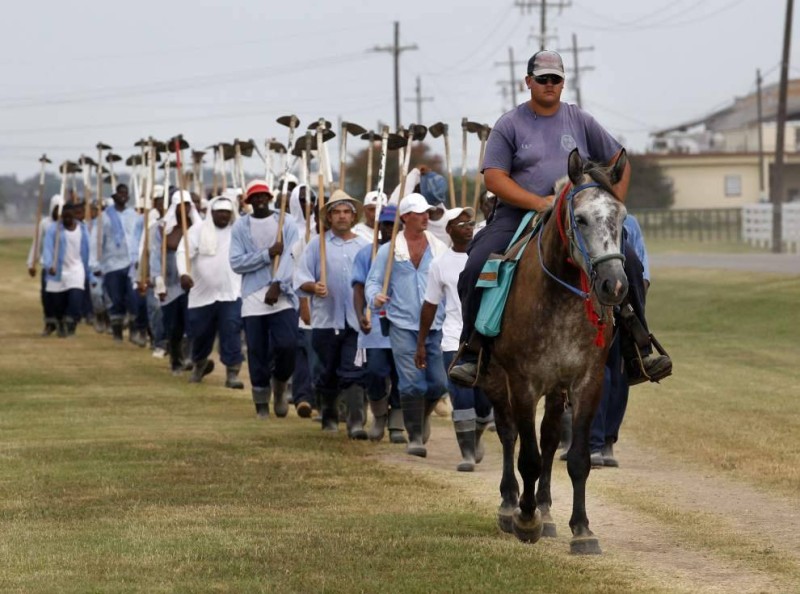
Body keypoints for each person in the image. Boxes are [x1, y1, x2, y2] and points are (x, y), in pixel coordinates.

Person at [450, 49, 671, 386]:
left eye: (555, 79)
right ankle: (472, 351)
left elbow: (620, 163)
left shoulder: (579, 119)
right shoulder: (509, 124)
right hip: (521, 212)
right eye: (542, 79)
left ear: (563, 83)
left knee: (628, 261)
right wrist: (539, 202)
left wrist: (608, 207)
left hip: (578, 215)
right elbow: (494, 178)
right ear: (528, 82)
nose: (549, 84)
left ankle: (638, 346)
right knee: (478, 263)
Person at [365, 193, 449, 458]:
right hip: (401, 324)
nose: (426, 217)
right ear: (405, 218)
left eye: (427, 213)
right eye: (420, 213)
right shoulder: (389, 251)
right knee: (411, 382)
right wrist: (375, 297)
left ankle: (420, 415)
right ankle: (414, 436)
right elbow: (373, 282)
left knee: (438, 383)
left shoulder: (438, 248)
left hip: (435, 324)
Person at [416, 206, 494, 471]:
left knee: (484, 402)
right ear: (448, 230)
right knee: (462, 397)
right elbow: (429, 305)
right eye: (460, 223)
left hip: (485, 336)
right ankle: (467, 454)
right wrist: (421, 344)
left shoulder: (486, 257)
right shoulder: (439, 264)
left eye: (470, 222)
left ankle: (478, 433)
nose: (468, 226)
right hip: (454, 340)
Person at [296, 190, 370, 436]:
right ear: (329, 217)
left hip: (356, 321)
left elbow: (374, 280)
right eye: (336, 212)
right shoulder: (317, 245)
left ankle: (355, 422)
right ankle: (328, 416)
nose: (341, 216)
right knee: (326, 371)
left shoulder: (364, 246)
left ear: (353, 216)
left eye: (346, 212)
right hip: (327, 319)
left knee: (353, 371)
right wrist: (313, 286)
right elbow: (301, 277)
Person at [230, 179, 299, 419]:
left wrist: (277, 284)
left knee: (288, 345)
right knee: (257, 352)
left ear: (270, 198)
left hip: (283, 295)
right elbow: (236, 262)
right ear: (248, 201)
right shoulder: (241, 227)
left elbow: (292, 255)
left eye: (263, 197)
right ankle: (261, 401)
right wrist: (266, 255)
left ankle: (280, 385)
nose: (259, 201)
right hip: (252, 298)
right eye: (254, 198)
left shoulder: (286, 222)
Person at [177, 196, 245, 388]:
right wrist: (184, 273)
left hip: (230, 293)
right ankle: (199, 365)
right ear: (211, 213)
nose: (223, 215)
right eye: (219, 212)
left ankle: (232, 374)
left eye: (227, 212)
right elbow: (183, 252)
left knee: (231, 331)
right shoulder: (197, 231)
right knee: (200, 334)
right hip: (201, 296)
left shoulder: (238, 231)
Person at [351, 205, 405, 443]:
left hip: (402, 323)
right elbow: (359, 287)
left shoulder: (407, 252)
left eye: (393, 225)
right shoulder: (366, 253)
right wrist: (360, 314)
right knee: (375, 372)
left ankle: (397, 421)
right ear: (378, 226)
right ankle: (380, 415)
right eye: (384, 224)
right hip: (375, 324)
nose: (388, 229)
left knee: (402, 374)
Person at [150, 190, 200, 374]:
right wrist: (158, 280)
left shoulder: (197, 226)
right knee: (173, 325)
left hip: (191, 282)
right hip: (170, 282)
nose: (185, 209)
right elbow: (155, 255)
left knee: (191, 320)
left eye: (188, 205)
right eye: (181, 205)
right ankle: (175, 360)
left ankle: (190, 357)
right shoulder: (163, 228)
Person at [91, 184, 147, 344]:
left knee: (133, 298)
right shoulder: (104, 217)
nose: (123, 196)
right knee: (116, 299)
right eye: (119, 193)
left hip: (131, 263)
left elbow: (138, 236)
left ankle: (135, 331)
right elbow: (96, 241)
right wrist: (95, 264)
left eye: (125, 193)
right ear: (114, 196)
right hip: (111, 264)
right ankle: (117, 333)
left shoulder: (133, 215)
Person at [41, 202, 90, 337]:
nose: (68, 220)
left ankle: (71, 326)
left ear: (74, 216)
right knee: (57, 304)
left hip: (76, 270)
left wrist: (90, 269)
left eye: (70, 217)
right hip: (57, 272)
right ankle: (60, 323)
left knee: (75, 301)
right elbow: (48, 249)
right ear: (61, 217)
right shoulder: (54, 229)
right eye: (65, 217)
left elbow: (88, 250)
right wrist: (49, 265)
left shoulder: (83, 229)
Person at [28, 194, 63, 336]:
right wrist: (32, 263)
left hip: (63, 267)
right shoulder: (44, 224)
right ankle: (49, 323)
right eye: (56, 209)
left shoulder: (66, 224)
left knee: (60, 297)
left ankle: (62, 323)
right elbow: (37, 243)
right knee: (46, 295)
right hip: (47, 267)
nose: (58, 212)